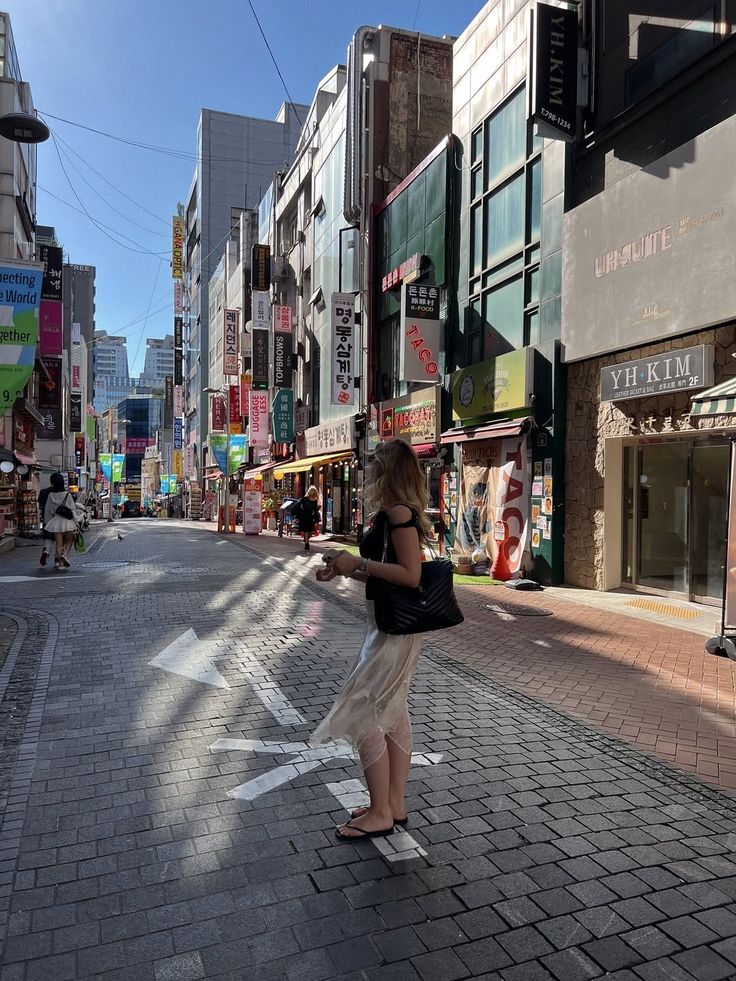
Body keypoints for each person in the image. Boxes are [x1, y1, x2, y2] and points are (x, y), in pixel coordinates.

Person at [311, 438, 432, 841]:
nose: (368, 471)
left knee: (363, 711)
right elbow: (389, 573)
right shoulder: (395, 511)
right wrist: (346, 569)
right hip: (386, 625)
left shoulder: (399, 513)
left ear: (388, 471)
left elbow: (411, 575)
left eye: (374, 463)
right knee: (393, 712)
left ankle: (381, 811)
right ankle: (393, 804)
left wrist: (359, 562)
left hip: (394, 632)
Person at [42, 472, 83, 569]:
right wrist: (77, 520)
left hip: (56, 521)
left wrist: (47, 523)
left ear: (53, 484)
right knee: (70, 540)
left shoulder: (50, 495)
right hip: (68, 522)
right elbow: (73, 509)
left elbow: (48, 510)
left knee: (59, 543)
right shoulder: (67, 495)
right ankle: (64, 555)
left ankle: (59, 562)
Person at [37, 476, 60, 567]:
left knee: (48, 538)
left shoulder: (43, 492)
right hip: (59, 519)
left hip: (46, 518)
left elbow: (40, 502)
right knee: (59, 540)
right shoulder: (61, 493)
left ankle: (46, 551)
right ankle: (57, 560)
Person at [296, 486, 320, 552]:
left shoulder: (315, 500)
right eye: (311, 491)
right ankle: (307, 544)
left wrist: (317, 509)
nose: (312, 492)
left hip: (310, 517)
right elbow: (299, 505)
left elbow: (314, 509)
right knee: (306, 530)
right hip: (305, 516)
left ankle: (306, 539)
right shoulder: (305, 499)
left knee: (310, 531)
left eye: (313, 491)